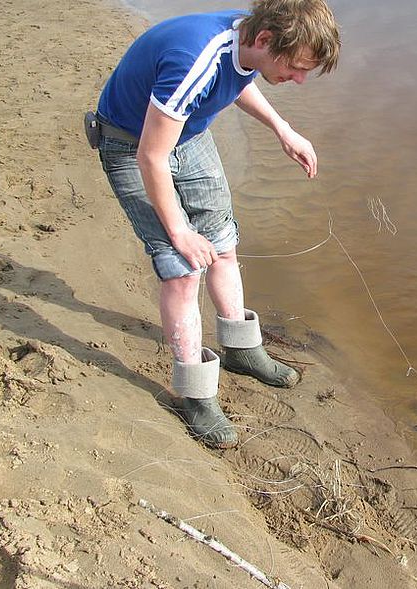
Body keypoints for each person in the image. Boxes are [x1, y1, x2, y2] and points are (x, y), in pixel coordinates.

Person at [93, 0, 340, 448]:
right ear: (265, 40)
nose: (300, 80)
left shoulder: (247, 40)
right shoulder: (194, 59)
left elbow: (238, 81)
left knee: (223, 245)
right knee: (182, 268)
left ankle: (243, 349)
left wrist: (283, 128)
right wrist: (180, 232)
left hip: (187, 133)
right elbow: (151, 155)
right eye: (297, 67)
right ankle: (195, 393)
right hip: (132, 145)